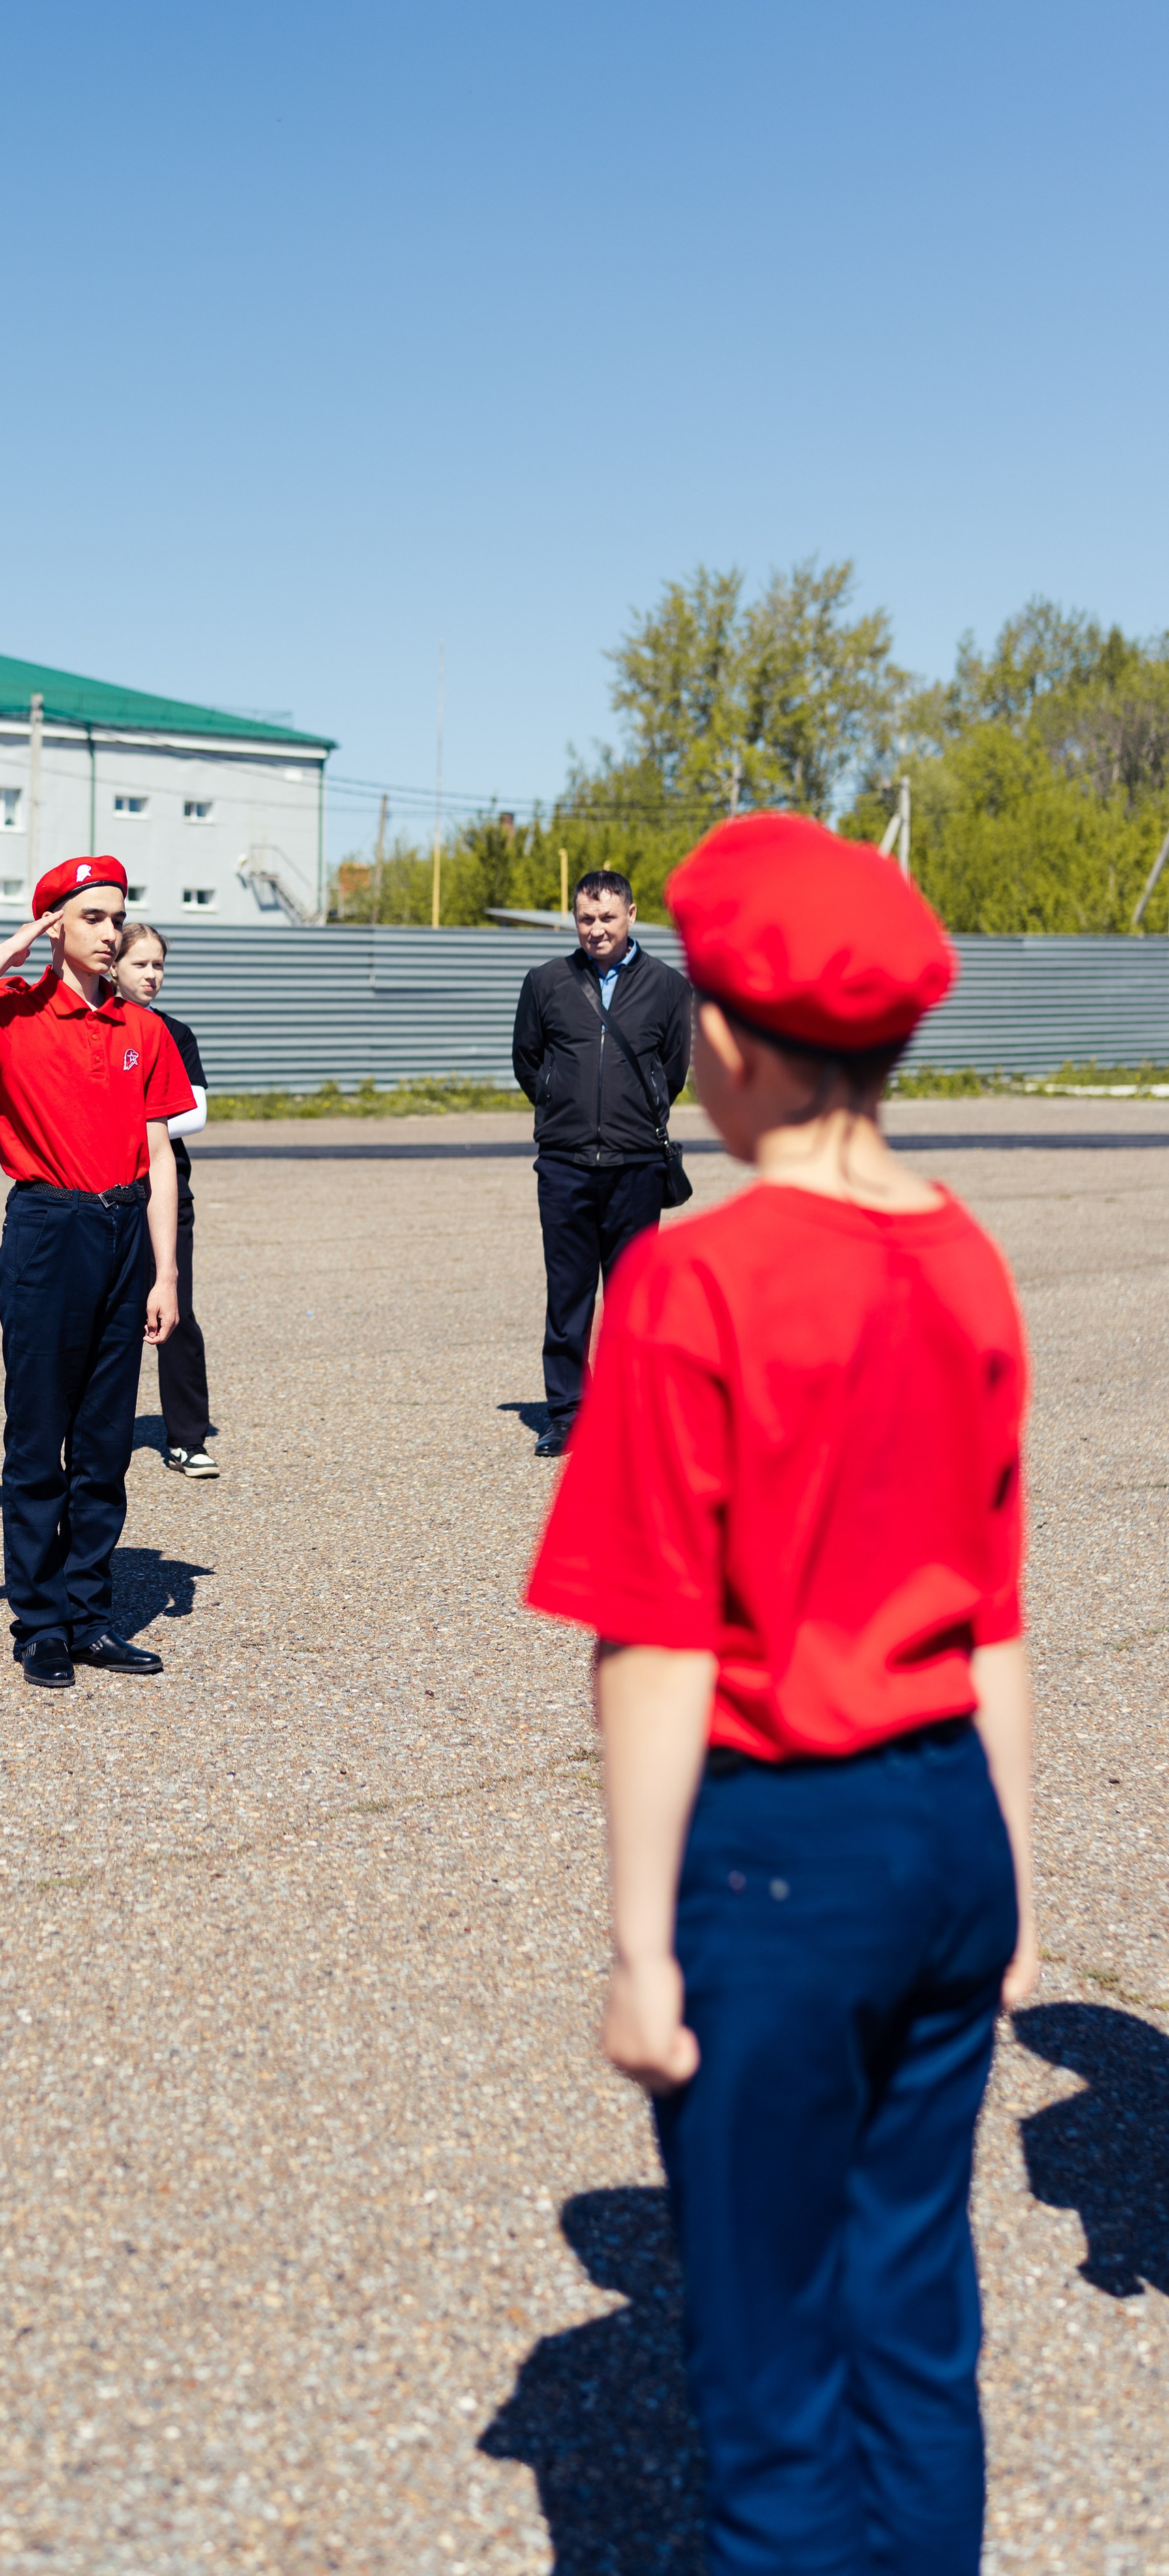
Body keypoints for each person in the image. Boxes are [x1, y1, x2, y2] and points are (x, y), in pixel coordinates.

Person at [527, 813, 1037, 2576]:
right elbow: (995, 1615)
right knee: (915, 2322)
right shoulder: (966, 1256)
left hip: (783, 1861)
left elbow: (657, 1636)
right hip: (944, 1833)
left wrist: (643, 1943)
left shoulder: (694, 1284)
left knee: (770, 2398)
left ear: (727, 1052)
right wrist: (1016, 1887)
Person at [0, 855, 193, 1690]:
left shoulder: (144, 1028)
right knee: (39, 1439)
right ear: (56, 928)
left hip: (124, 1232)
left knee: (105, 1446)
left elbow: (160, 1157)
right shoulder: (11, 1013)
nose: (112, 934)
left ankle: (89, 1616)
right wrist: (16, 945)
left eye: (118, 918)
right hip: (48, 1229)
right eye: (95, 918)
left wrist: (167, 1274)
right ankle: (39, 1623)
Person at [512, 868, 692, 1457]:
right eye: (586, 918)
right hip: (563, 1164)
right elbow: (528, 1060)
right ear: (575, 919)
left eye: (608, 917)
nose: (597, 929)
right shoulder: (546, 982)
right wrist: (561, 1098)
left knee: (632, 1297)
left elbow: (674, 1068)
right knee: (568, 1295)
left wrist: (628, 1114)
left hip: (636, 1163)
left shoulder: (667, 986)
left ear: (632, 915)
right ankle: (566, 1413)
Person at [112, 923, 218, 1478]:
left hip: (166, 1194)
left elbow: (195, 1114)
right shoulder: (96, 1025)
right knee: (105, 1322)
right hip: (107, 1197)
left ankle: (187, 1437)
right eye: (141, 965)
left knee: (177, 1314)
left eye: (158, 965)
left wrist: (120, 1114)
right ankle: (96, 1438)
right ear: (113, 967)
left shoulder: (174, 1033)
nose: (152, 975)